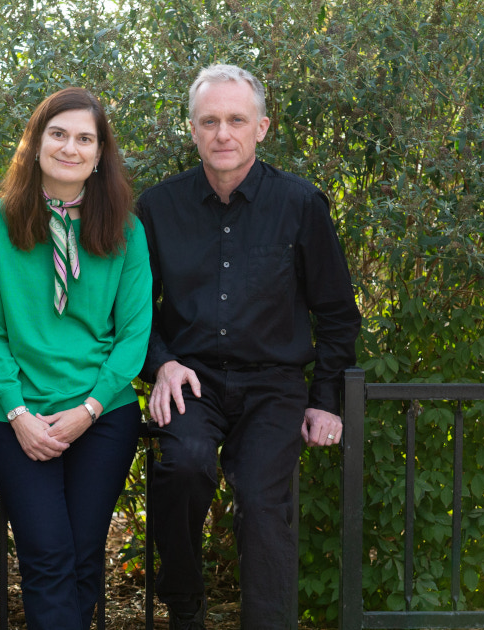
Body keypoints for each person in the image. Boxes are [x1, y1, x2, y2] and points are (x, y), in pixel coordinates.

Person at [137, 64, 362, 629]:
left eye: (236, 120)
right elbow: (133, 313)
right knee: (184, 467)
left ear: (261, 127)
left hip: (273, 386)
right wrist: (160, 365)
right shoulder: (157, 209)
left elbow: (336, 313)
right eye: (209, 121)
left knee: (263, 507)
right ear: (192, 130)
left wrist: (325, 398)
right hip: (190, 381)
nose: (223, 133)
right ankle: (184, 601)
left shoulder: (301, 204)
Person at [0, 87, 152, 629]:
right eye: (58, 134)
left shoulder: (126, 231)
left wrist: (89, 409)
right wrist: (20, 414)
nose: (70, 147)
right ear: (36, 143)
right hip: (16, 415)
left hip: (103, 413)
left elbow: (134, 334)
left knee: (83, 557)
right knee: (46, 554)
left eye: (84, 138)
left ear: (99, 156)